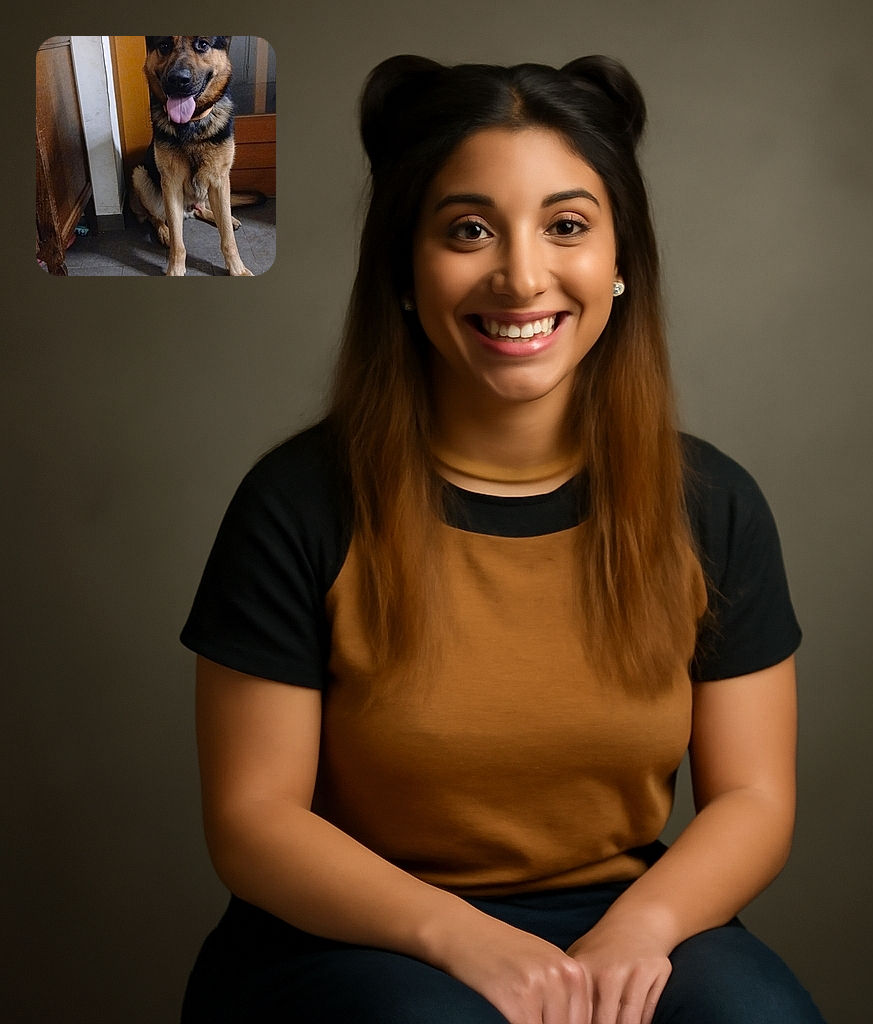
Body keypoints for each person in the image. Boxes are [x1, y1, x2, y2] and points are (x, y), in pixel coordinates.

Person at [180, 55, 826, 1024]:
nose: (521, 275)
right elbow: (253, 821)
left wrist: (638, 930)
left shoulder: (710, 503)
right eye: (468, 230)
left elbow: (752, 800)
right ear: (404, 262)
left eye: (566, 225)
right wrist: (466, 938)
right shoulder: (299, 503)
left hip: (622, 911)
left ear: (619, 261)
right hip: (354, 935)